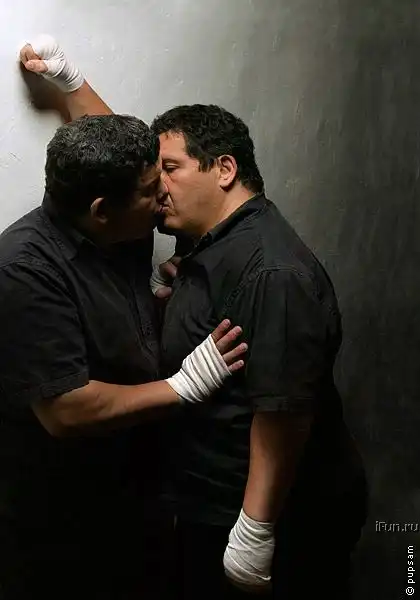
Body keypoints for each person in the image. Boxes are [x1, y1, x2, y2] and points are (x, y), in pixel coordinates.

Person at [20, 36, 368, 600]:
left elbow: (283, 409)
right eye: (153, 178)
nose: (158, 188)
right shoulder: (200, 239)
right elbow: (117, 169)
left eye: (171, 170)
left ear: (224, 169)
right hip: (195, 503)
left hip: (259, 516)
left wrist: (256, 527)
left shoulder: (271, 272)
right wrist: (69, 82)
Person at [0, 44, 248, 600]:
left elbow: (115, 151)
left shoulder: (117, 217)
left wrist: (72, 84)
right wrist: (183, 386)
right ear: (101, 211)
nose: (164, 195)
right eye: (151, 191)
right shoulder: (24, 269)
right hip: (64, 524)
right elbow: (67, 410)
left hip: (140, 493)